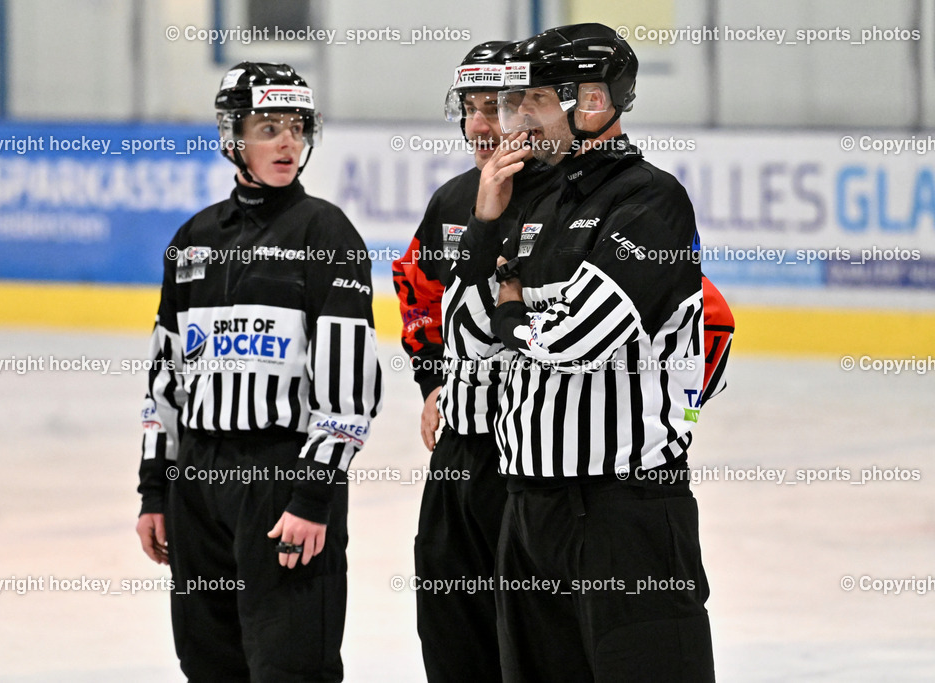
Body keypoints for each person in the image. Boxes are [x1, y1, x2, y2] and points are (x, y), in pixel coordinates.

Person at [462, 23, 726, 681]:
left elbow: (575, 342)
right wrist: (486, 222)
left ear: (594, 103)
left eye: (537, 101)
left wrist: (512, 310)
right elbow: (467, 341)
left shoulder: (650, 201)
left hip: (622, 512)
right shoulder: (536, 201)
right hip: (530, 513)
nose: (519, 117)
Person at [135, 62, 382, 682]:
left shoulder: (325, 231)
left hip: (280, 479)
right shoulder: (193, 241)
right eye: (268, 127)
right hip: (197, 481)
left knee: (291, 665)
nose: (288, 143)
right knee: (209, 661)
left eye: (298, 128)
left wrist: (313, 497)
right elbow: (165, 380)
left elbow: (349, 389)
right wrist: (156, 491)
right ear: (232, 136)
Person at [391, 41, 558, 682]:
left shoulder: (568, 202)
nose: (484, 124)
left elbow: (700, 319)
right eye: (472, 109)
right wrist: (433, 382)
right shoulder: (452, 202)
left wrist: (668, 416)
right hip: (460, 454)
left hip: (537, 461)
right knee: (450, 625)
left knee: (529, 640)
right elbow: (418, 292)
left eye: (498, 107)